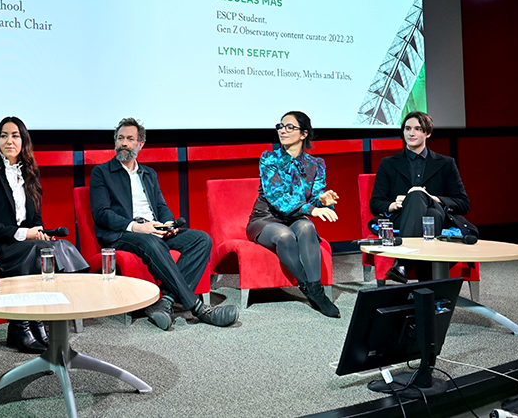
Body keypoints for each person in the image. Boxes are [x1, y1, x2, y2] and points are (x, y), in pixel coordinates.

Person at [89, 117, 238, 330]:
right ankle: (198, 308)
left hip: (153, 230)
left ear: (140, 144)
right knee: (151, 243)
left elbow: (160, 205)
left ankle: (165, 302)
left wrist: (167, 224)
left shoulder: (148, 173)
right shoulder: (102, 173)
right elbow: (102, 214)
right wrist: (138, 227)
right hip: (122, 234)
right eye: (120, 138)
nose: (124, 143)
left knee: (201, 239)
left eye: (130, 139)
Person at [0, 116, 89, 353]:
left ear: (23, 141)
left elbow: (36, 220)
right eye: (4, 135)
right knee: (37, 250)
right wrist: (26, 234)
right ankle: (22, 325)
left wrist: (40, 233)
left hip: (24, 246)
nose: (9, 140)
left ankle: (42, 319)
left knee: (58, 246)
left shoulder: (30, 172)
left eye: (15, 136)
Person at [246, 111, 340, 317]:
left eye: (290, 127)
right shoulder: (269, 159)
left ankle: (315, 288)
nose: (283, 130)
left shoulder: (316, 165)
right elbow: (279, 199)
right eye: (280, 126)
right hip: (265, 220)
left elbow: (314, 198)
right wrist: (313, 209)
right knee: (284, 235)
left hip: (295, 219)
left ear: (304, 133)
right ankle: (312, 290)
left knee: (307, 226)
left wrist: (322, 200)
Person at [369, 110, 471, 283]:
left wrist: (431, 198)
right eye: (407, 129)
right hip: (404, 217)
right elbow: (375, 203)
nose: (411, 133)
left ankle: (402, 264)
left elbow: (463, 203)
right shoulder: (388, 163)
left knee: (422, 200)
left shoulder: (446, 163)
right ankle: (429, 292)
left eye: (417, 129)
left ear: (427, 133)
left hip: (441, 216)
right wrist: (395, 204)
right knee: (429, 214)